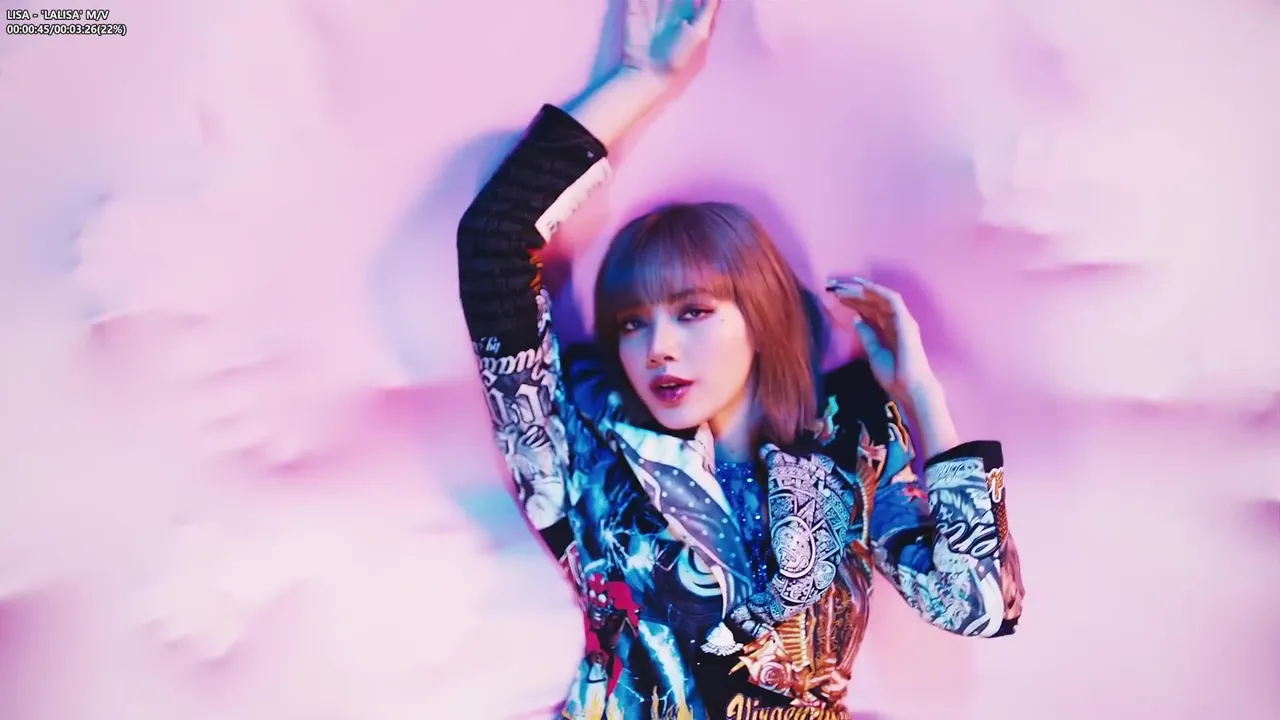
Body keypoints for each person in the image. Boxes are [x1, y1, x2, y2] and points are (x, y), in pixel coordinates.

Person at [455, 1, 1025, 718]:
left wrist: (918, 395)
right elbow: (494, 244)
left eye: (692, 311)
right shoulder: (583, 446)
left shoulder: (849, 450)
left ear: (759, 318)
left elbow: (978, 604)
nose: (658, 346)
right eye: (632, 323)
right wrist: (641, 78)